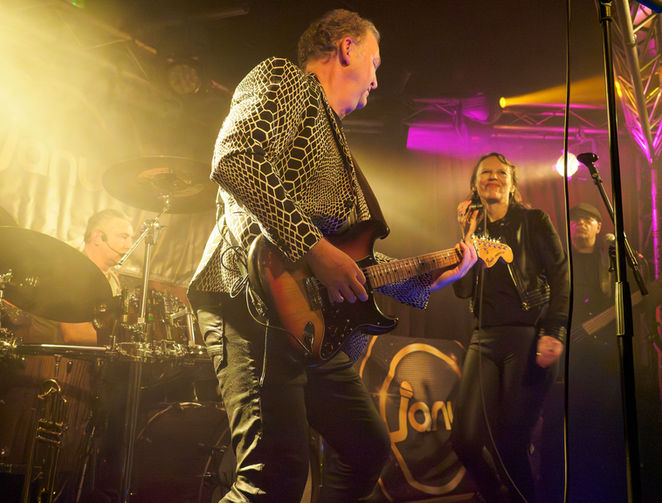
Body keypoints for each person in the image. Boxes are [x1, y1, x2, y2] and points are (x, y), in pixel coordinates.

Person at [187, 9, 477, 503]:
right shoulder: (284, 79)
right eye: (374, 63)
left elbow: (347, 264)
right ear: (347, 47)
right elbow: (234, 158)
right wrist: (313, 247)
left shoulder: (334, 137)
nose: (376, 81)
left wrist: (429, 276)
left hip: (312, 327)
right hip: (252, 299)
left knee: (366, 449)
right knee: (272, 478)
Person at [451, 152, 569, 503]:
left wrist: (554, 332)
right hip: (483, 339)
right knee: (464, 440)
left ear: (512, 184)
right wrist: (465, 236)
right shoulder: (474, 230)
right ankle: (497, 496)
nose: (493, 177)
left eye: (501, 172)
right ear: (475, 185)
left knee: (509, 442)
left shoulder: (533, 221)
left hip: (526, 336)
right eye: (485, 173)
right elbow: (461, 289)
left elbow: (561, 277)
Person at [540, 202, 627, 503]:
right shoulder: (561, 261)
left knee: (604, 421)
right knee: (566, 422)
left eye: (588, 220)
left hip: (604, 357)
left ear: (599, 226)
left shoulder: (611, 262)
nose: (580, 225)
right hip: (569, 355)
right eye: (575, 220)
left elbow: (626, 301)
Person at [8, 209, 133, 345]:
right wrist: (126, 340)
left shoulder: (113, 280)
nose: (129, 246)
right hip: (52, 356)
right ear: (97, 237)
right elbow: (75, 335)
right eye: (123, 237)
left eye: (131, 239)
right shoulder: (71, 272)